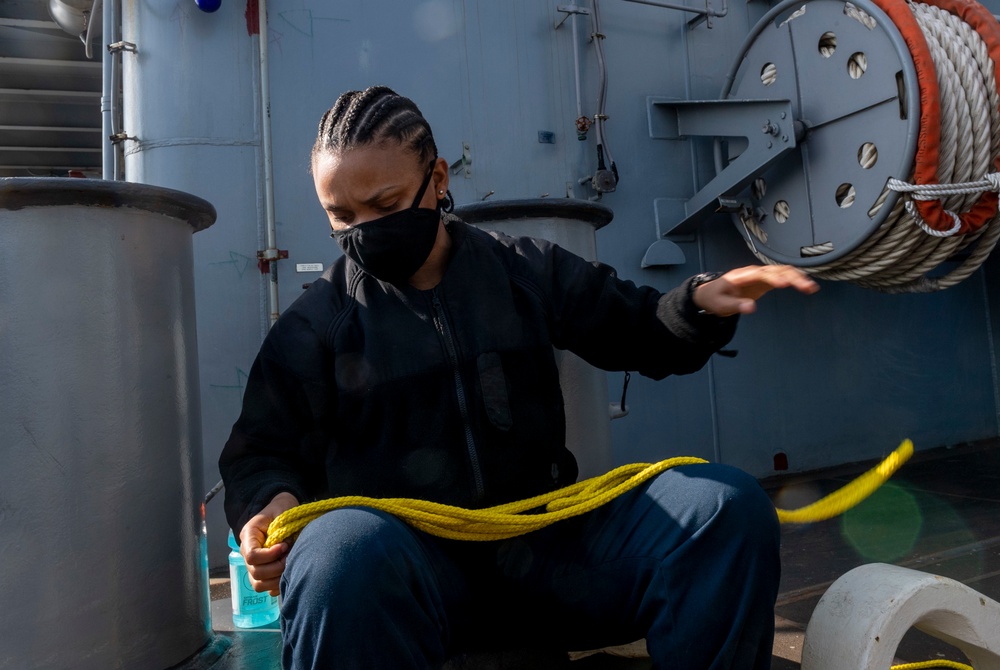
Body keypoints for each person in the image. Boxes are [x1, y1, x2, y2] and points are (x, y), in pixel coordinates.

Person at [219, 85, 819, 670]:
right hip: (414, 583)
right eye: (341, 216)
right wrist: (269, 506)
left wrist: (702, 303)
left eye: (385, 205)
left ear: (439, 179)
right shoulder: (315, 325)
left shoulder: (524, 270)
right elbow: (260, 451)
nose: (365, 230)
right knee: (337, 553)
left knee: (724, 508)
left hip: (549, 558)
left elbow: (637, 327)